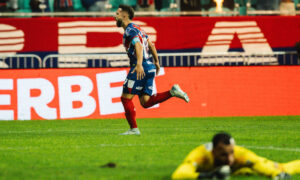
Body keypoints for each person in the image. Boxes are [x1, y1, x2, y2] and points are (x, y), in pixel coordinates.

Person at [114, 4, 189, 135]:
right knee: (146, 102)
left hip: (140, 68)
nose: (115, 17)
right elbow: (151, 45)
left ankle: (134, 129)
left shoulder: (130, 31)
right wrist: (157, 62)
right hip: (150, 67)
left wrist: (138, 64)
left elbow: (138, 45)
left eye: (117, 14)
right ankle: (172, 92)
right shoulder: (139, 29)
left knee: (126, 98)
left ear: (125, 15)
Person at [172, 132, 300, 179]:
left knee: (281, 168)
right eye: (224, 155)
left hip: (242, 168)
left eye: (231, 153)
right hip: (238, 171)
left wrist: (275, 174)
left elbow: (257, 163)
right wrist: (208, 176)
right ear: (214, 151)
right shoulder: (202, 155)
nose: (230, 159)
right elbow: (178, 175)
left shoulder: (240, 154)